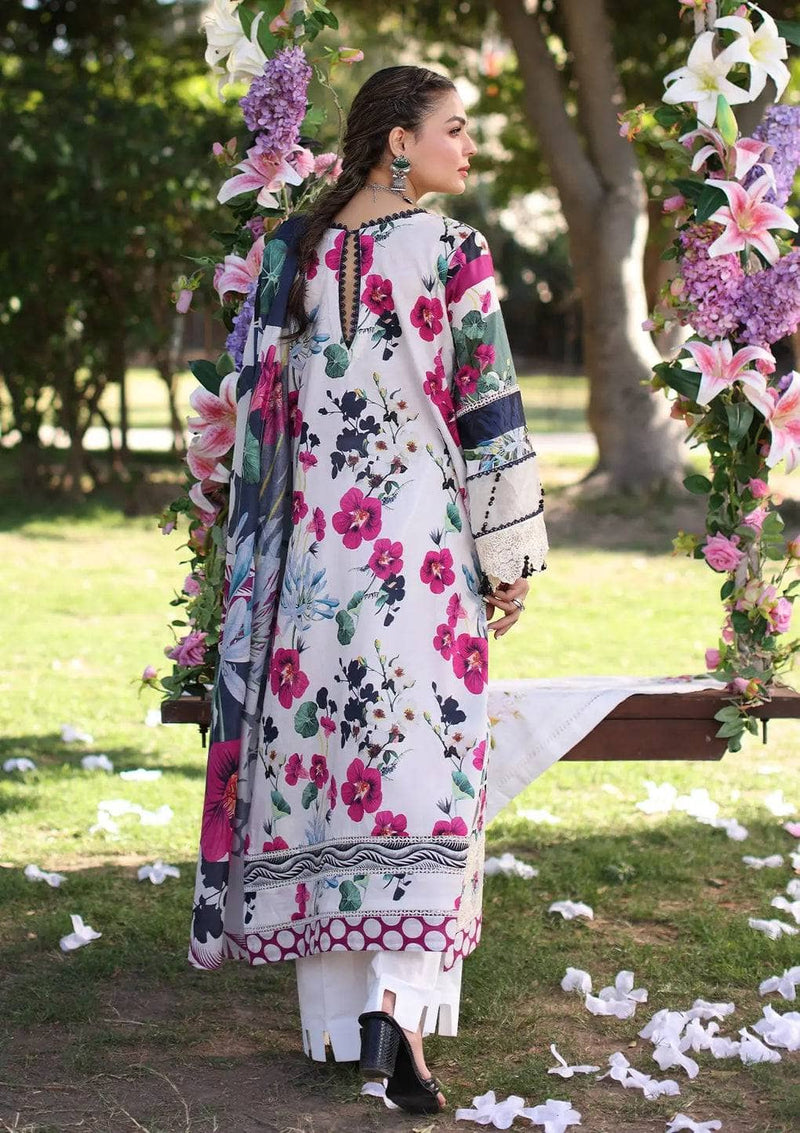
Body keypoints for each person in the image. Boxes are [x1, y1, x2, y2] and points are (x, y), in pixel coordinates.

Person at [189, 64, 548, 1115]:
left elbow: (256, 422)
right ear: (399, 139)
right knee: (428, 775)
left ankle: (355, 1021)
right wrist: (508, 556)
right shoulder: (452, 249)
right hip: (423, 557)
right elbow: (489, 411)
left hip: (312, 563)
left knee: (337, 772)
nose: (468, 148)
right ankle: (398, 1008)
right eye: (455, 129)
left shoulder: (290, 255)